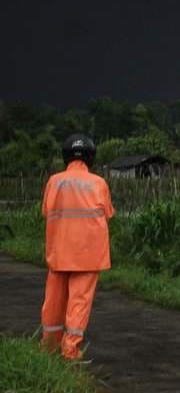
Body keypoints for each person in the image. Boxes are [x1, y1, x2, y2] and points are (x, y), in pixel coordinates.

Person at [40, 133, 115, 360]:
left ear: (65, 157)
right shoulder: (99, 183)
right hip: (88, 255)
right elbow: (109, 214)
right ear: (91, 157)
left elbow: (45, 212)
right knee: (79, 303)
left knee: (53, 301)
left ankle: (49, 347)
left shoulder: (54, 181)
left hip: (59, 253)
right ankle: (70, 350)